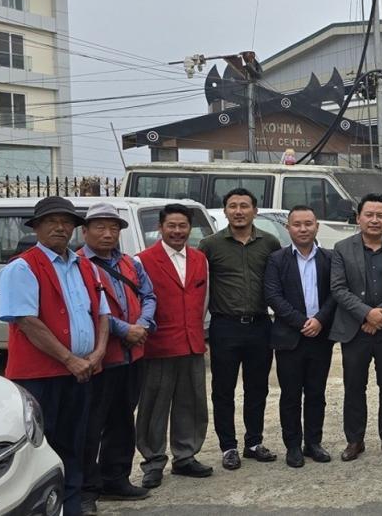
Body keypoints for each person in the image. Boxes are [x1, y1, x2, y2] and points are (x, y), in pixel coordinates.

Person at [0, 196, 111, 516]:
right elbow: (27, 322)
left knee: (74, 443)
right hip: (40, 376)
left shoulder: (86, 266)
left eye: (67, 222)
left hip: (81, 372)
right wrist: (70, 359)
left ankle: (70, 505)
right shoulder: (22, 267)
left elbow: (102, 314)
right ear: (36, 228)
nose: (60, 227)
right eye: (52, 221)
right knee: (38, 448)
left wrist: (98, 353)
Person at [78, 203, 157, 513]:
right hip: (100, 358)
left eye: (113, 228)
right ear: (85, 231)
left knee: (123, 419)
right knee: (91, 425)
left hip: (132, 356)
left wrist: (143, 325)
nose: (108, 233)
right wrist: (126, 329)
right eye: (100, 227)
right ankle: (86, 489)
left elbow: (148, 295)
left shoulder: (129, 263)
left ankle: (116, 479)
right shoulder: (78, 264)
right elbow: (86, 308)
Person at [199, 188, 282, 470]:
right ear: (224, 211)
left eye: (244, 206)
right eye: (232, 206)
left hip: (260, 325)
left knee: (257, 388)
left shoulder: (269, 243)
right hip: (225, 326)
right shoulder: (210, 245)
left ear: (255, 211)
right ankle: (228, 446)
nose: (238, 211)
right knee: (223, 389)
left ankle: (254, 442)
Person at [329, 193, 382, 461]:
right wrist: (367, 314)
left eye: (380, 215)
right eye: (369, 215)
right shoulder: (342, 249)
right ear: (359, 218)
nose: (374, 220)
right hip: (355, 330)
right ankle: (355, 440)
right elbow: (338, 288)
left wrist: (379, 316)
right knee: (354, 387)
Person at [136, 204, 213, 488]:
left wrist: (198, 332)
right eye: (172, 225)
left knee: (191, 403)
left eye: (183, 226)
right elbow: (140, 302)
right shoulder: (143, 260)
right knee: (154, 406)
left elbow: (204, 299)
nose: (177, 231)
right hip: (158, 346)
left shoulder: (199, 259)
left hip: (192, 343)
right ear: (160, 227)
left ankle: (185, 456)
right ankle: (153, 461)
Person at [264, 205, 338, 468]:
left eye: (308, 223)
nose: (303, 229)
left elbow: (336, 293)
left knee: (317, 393)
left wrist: (319, 320)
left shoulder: (329, 258)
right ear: (288, 228)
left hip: (320, 336)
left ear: (317, 226)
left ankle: (313, 443)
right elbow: (273, 296)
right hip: (289, 338)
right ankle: (293, 445)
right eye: (297, 224)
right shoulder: (277, 259)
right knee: (291, 395)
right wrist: (301, 322)